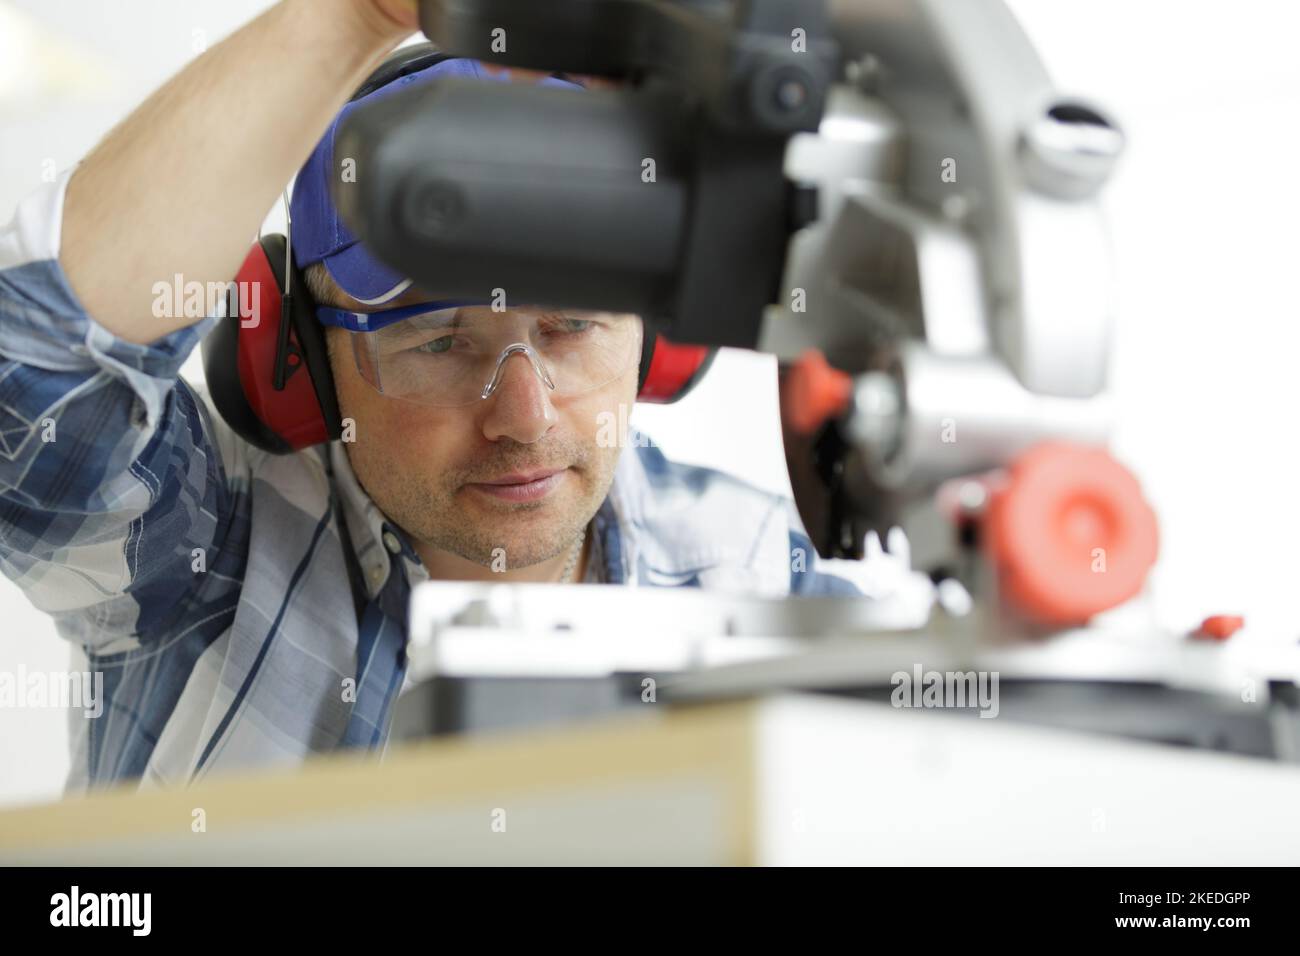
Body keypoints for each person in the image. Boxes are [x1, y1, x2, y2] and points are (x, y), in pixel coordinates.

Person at [0, 0, 856, 793]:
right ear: (296, 356)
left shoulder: (760, 581)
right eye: (439, 343)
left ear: (661, 340)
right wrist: (353, 15)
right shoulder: (198, 551)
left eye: (573, 328)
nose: (524, 417)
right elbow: (28, 370)